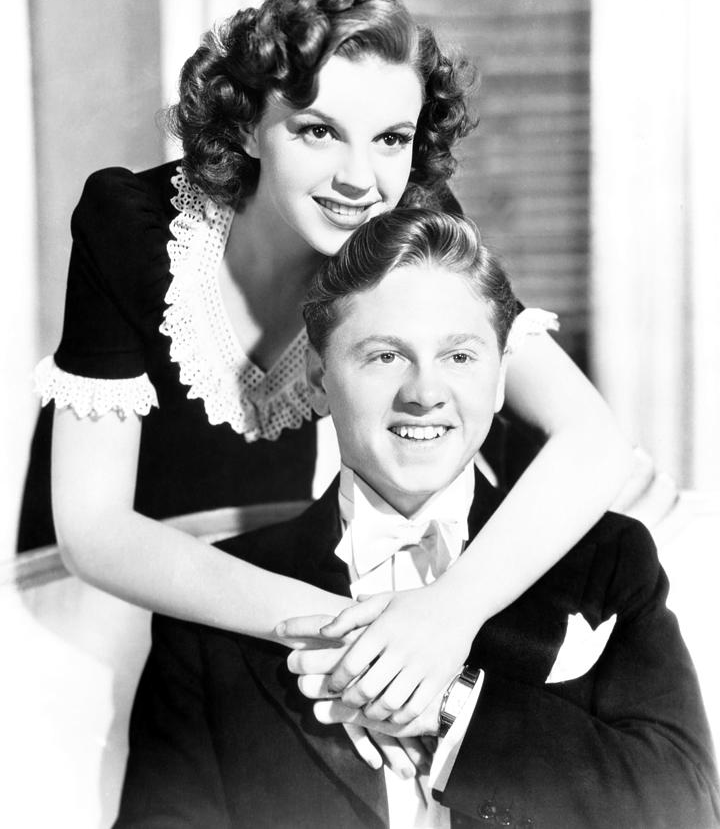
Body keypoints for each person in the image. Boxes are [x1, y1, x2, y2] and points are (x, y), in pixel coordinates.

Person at [22, 0, 635, 742]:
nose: (359, 179)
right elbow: (94, 531)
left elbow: (592, 436)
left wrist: (444, 614)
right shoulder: (131, 224)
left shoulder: (411, 220)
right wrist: (352, 632)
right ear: (246, 127)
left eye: (391, 139)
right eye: (318, 130)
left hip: (275, 574)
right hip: (104, 594)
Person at [114, 209, 719, 829]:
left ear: (501, 378)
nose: (425, 392)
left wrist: (456, 703)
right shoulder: (214, 617)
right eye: (384, 357)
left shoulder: (607, 560)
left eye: (459, 356)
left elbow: (687, 808)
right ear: (320, 379)